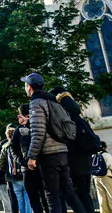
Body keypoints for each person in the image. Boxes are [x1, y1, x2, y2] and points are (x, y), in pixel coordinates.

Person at [22, 73, 85, 213]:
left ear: (30, 87)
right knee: (69, 193)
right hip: (62, 150)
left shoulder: (36, 103)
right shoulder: (53, 101)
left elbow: (38, 131)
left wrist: (32, 156)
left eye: (25, 85)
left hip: (49, 154)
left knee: (52, 195)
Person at [51, 88, 97, 213]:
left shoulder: (67, 121)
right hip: (85, 163)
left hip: (73, 163)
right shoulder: (80, 119)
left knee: (77, 196)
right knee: (86, 195)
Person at [1, 125, 31, 213]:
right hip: (24, 174)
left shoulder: (5, 147)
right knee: (28, 199)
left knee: (19, 200)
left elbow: (1, 164)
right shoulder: (23, 144)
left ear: (7, 136)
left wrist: (6, 169)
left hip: (13, 177)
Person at [93, 142, 112, 213]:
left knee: (101, 198)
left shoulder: (93, 155)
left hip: (96, 178)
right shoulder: (106, 155)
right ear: (104, 147)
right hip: (106, 177)